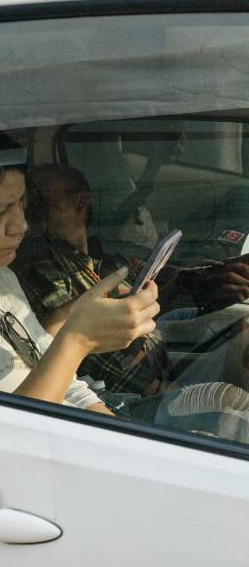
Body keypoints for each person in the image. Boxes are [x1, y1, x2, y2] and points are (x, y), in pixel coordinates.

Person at [0, 149, 160, 412]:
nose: (21, 225)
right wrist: (77, 340)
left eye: (21, 204)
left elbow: (70, 387)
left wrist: (113, 429)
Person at [15, 164, 249, 400]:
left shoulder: (108, 261)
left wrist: (210, 280)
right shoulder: (41, 264)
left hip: (166, 366)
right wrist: (157, 391)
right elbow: (71, 340)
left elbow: (161, 290)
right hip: (138, 395)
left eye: (39, 200)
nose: (28, 211)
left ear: (82, 202)